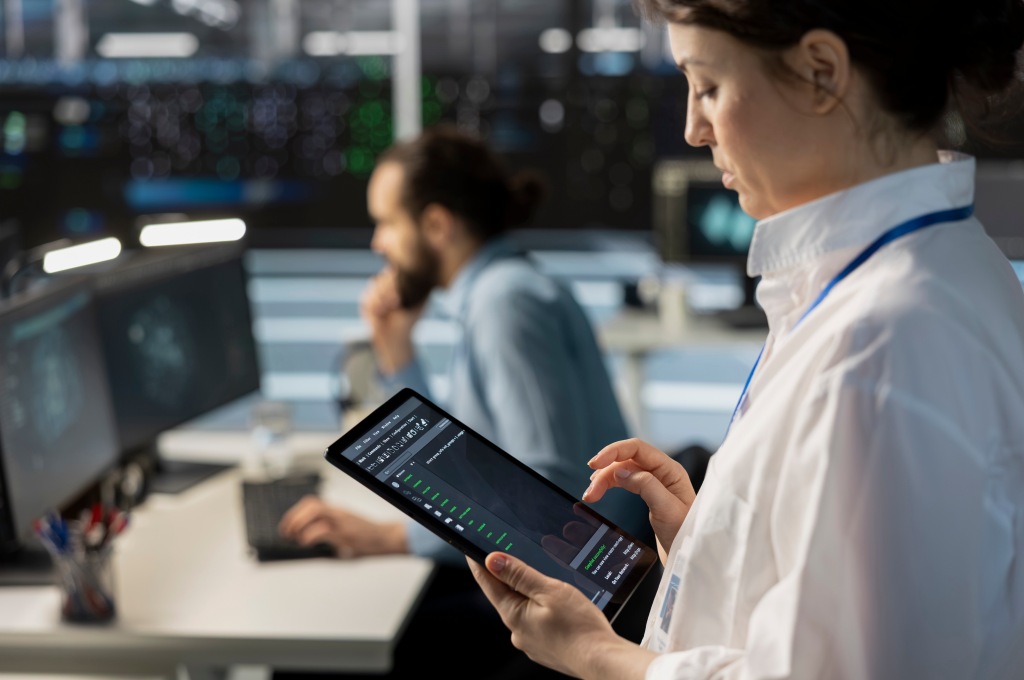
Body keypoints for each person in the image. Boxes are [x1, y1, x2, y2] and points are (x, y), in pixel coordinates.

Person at [467, 1, 1024, 679]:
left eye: (708, 87)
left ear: (821, 73)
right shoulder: (940, 268)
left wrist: (599, 655)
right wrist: (718, 541)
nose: (694, 127)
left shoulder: (882, 343)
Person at [276, 125, 655, 679]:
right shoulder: (502, 290)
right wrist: (397, 348)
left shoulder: (505, 305)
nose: (377, 244)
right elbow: (461, 458)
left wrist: (383, 537)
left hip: (581, 602)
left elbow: (546, 489)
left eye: (386, 223)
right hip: (581, 581)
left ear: (436, 225)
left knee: (315, 656)